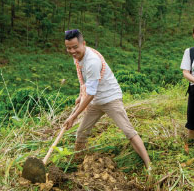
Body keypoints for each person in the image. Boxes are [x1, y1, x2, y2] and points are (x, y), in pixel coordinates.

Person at [62, 29, 151, 168]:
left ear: (83, 43)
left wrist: (74, 116)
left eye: (75, 47)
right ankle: (77, 164)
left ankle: (148, 164)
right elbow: (86, 82)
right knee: (81, 133)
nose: (72, 51)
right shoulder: (78, 57)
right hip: (95, 101)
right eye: (69, 48)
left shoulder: (92, 61)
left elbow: (91, 93)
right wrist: (81, 95)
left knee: (128, 131)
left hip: (110, 98)